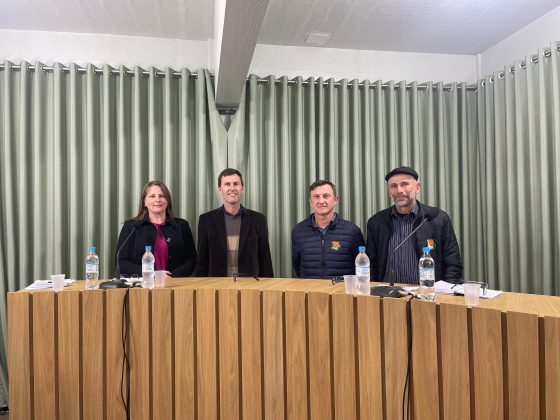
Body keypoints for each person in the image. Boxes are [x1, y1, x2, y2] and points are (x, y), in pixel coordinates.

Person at [366, 166, 462, 284]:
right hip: (388, 293)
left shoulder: (437, 218)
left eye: (404, 184)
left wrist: (446, 292)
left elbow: (452, 263)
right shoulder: (376, 222)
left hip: (427, 293)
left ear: (417, 187)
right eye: (393, 186)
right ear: (389, 191)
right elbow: (370, 266)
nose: (399, 190)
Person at [195, 168, 274, 277]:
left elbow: (265, 261)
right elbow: (202, 263)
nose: (232, 188)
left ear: (242, 188)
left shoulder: (258, 220)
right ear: (220, 189)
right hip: (216, 285)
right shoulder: (206, 220)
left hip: (249, 285)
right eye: (227, 184)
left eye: (236, 184)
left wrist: (268, 285)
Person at [116, 181, 197, 277]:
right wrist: (151, 274)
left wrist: (172, 276)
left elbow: (191, 260)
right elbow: (121, 261)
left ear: (167, 201)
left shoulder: (181, 226)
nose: (157, 199)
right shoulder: (132, 226)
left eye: (162, 196)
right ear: (144, 202)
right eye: (152, 196)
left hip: (175, 283)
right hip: (142, 283)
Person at [292, 180, 364, 279]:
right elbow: (297, 265)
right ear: (311, 202)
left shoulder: (352, 231)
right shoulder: (299, 231)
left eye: (326, 196)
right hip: (310, 288)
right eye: (316, 197)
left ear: (336, 199)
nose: (321, 201)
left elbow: (361, 267)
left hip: (341, 288)